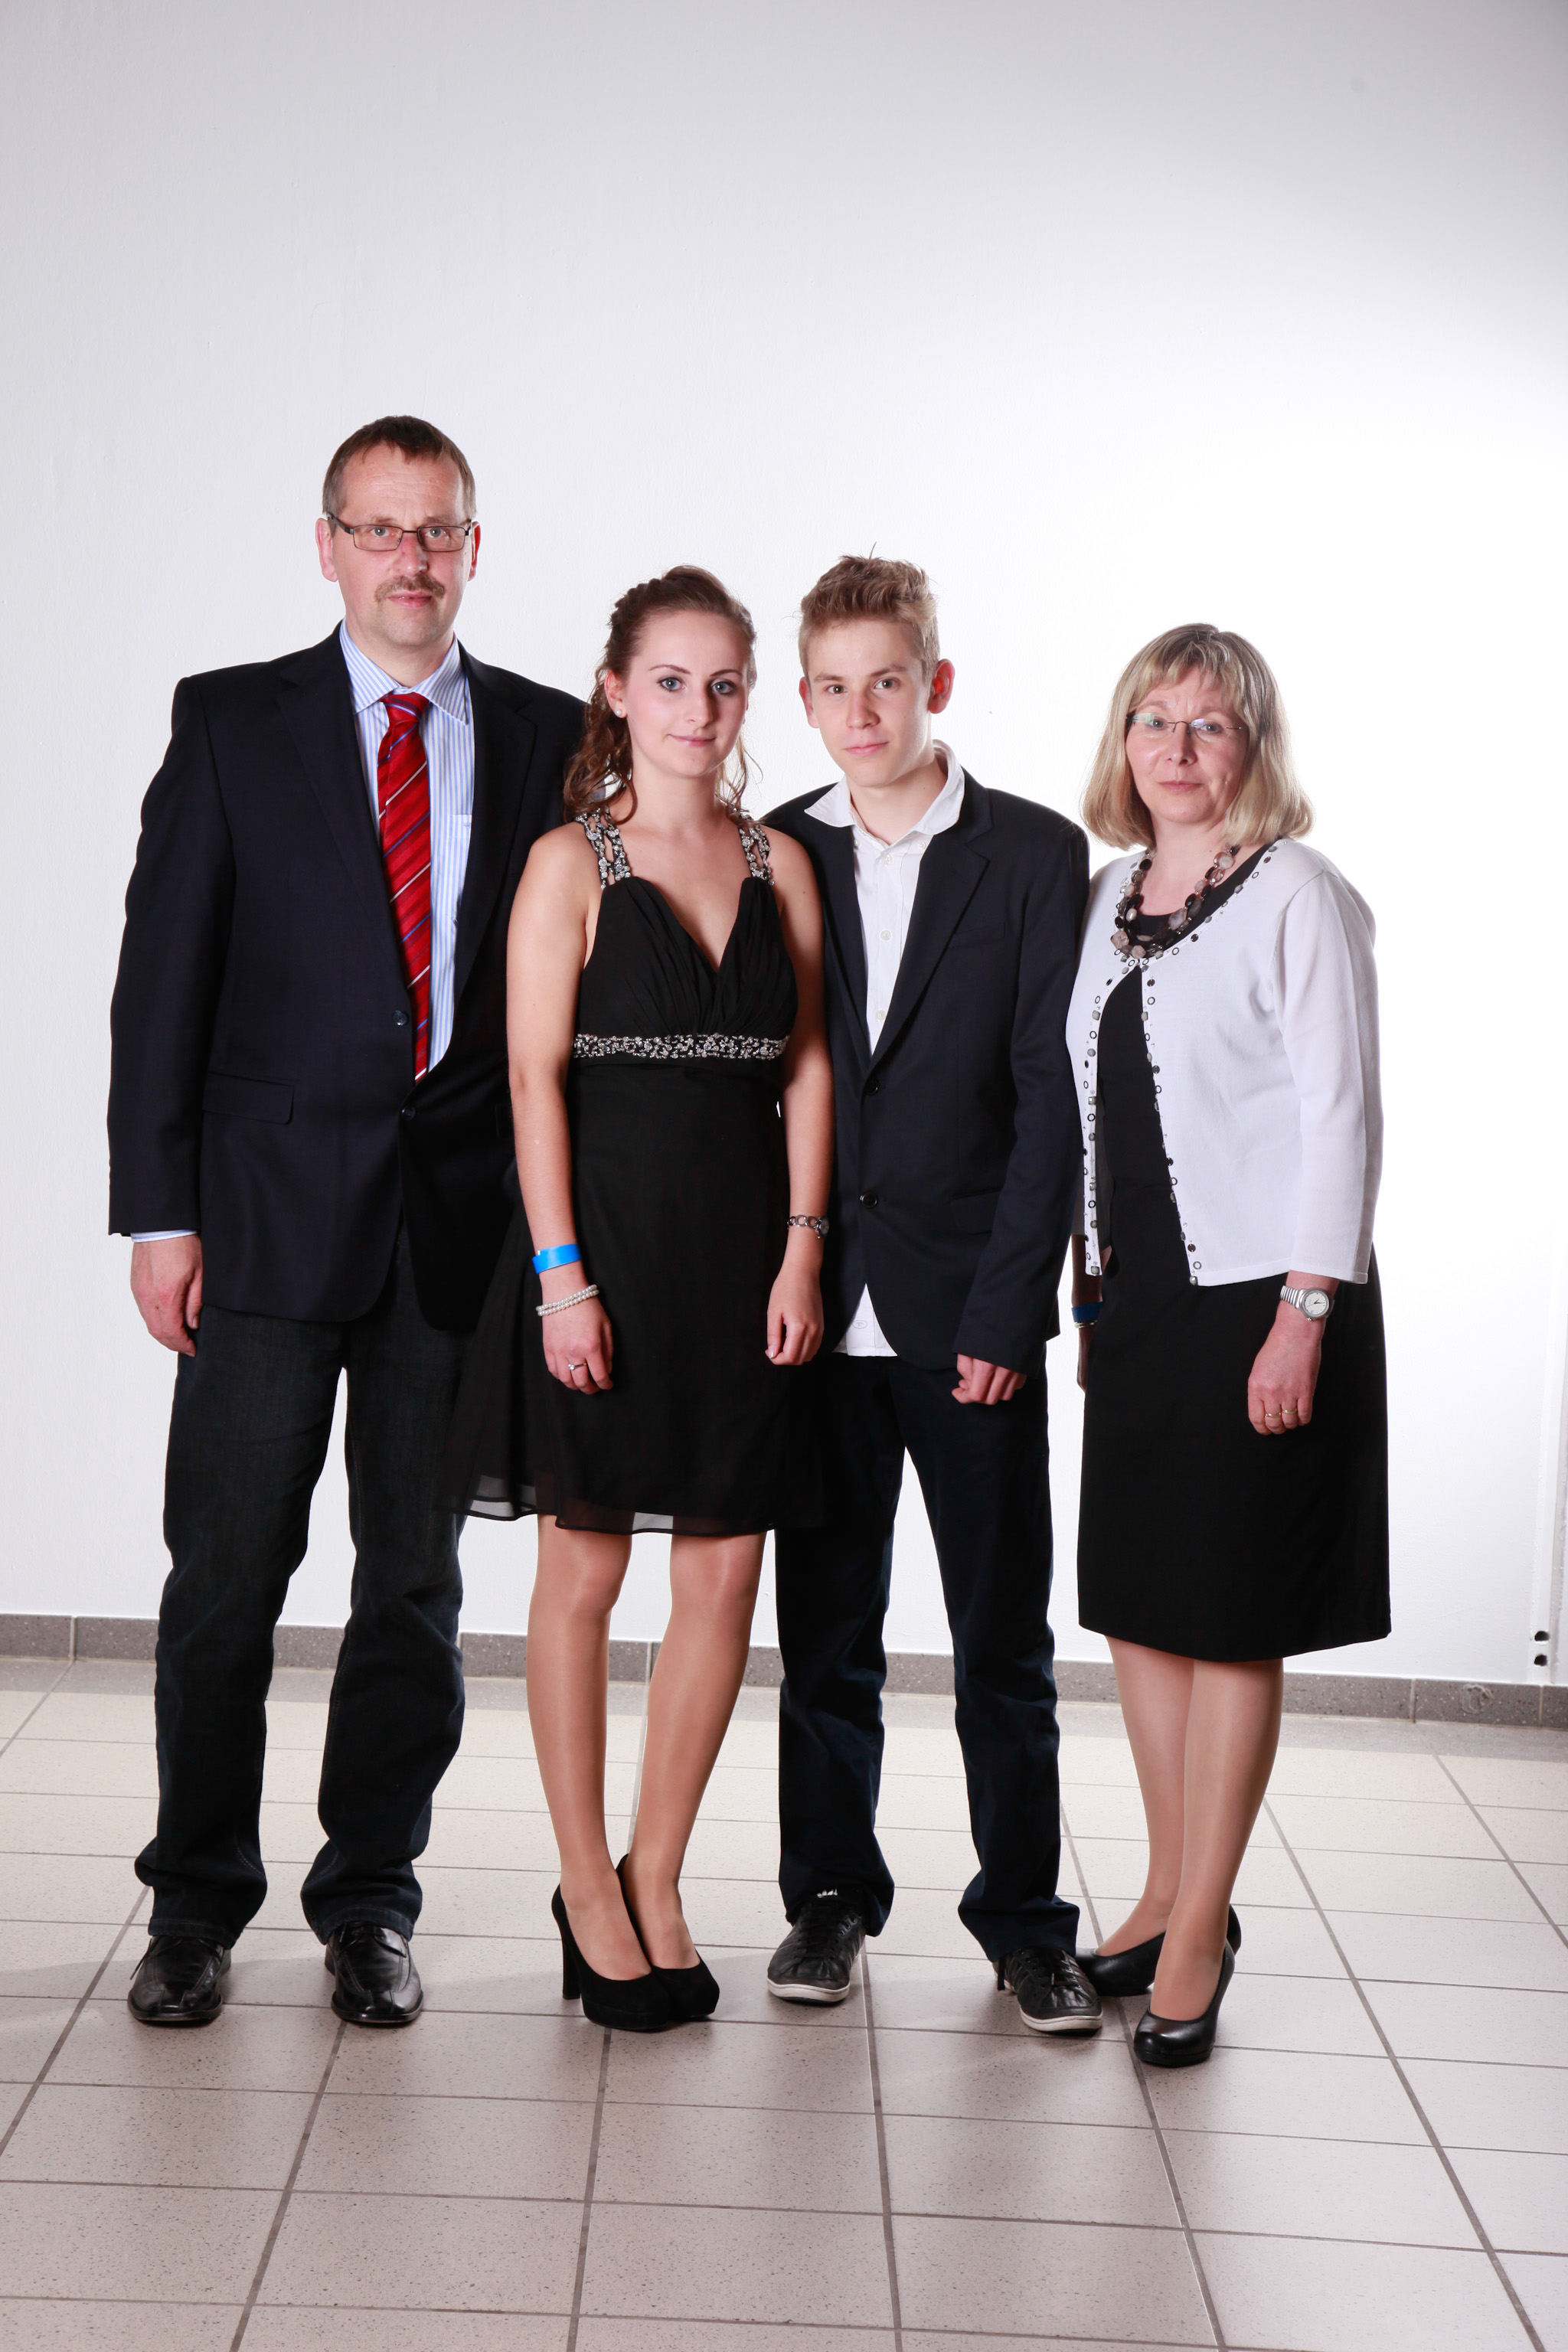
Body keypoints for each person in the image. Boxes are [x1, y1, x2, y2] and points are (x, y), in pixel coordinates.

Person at [108, 416, 581, 2028]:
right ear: (327, 547)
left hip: (454, 1235)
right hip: (258, 1225)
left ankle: (370, 1898)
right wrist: (159, 1213)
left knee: (413, 1590)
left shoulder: (549, 736)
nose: (409, 560)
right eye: (378, 529)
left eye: (435, 530)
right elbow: (160, 982)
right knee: (225, 1577)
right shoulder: (232, 722)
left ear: (472, 547)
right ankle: (194, 1904)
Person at [446, 566, 833, 2030]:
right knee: (586, 1572)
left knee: (725, 1576)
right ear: (617, 689)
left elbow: (809, 1067)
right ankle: (583, 1885)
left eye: (725, 683)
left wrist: (803, 1249)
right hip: (600, 1253)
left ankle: (656, 1872)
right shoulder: (570, 864)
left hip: (746, 1264)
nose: (699, 708)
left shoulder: (781, 862)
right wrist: (561, 1280)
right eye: (670, 680)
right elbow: (531, 1080)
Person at [762, 557, 1100, 2034]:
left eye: (886, 683)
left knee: (999, 1642)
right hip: (818, 1310)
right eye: (834, 688)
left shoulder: (1032, 855)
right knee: (825, 1635)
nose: (862, 713)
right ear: (804, 698)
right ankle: (829, 1900)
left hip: (968, 1314)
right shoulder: (779, 848)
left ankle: (1024, 1922)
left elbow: (1049, 1102)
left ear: (936, 684)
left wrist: (1008, 1312)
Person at [1067, 622, 1387, 2067]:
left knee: (1232, 1611)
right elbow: (1099, 1109)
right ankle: (1162, 1887)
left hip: (1264, 1299)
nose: (1178, 749)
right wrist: (1091, 1287)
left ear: (1253, 744)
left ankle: (1202, 1927)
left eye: (1210, 724)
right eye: (1156, 720)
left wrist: (1304, 1314)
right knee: (1142, 1603)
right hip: (1141, 1298)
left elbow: (1343, 1115)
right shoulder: (1108, 896)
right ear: (1123, 740)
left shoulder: (1299, 895)